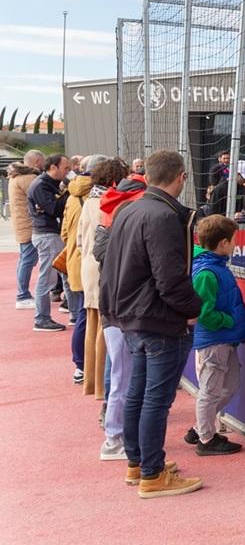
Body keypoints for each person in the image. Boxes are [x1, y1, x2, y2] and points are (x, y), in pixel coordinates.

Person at [98, 150, 203, 497]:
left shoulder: (130, 209)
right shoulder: (161, 216)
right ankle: (152, 474)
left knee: (138, 395)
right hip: (156, 318)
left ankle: (139, 463)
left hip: (132, 316)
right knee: (154, 400)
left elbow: (109, 260)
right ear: (180, 177)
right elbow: (169, 277)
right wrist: (192, 307)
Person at [184, 215, 245, 457]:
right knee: (210, 390)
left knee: (230, 385)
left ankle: (200, 427)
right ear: (223, 243)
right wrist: (229, 321)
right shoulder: (207, 273)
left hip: (225, 338)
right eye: (234, 240)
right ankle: (206, 438)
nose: (235, 244)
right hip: (214, 341)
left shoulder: (216, 267)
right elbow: (204, 312)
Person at [94, 162, 147, 461]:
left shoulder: (110, 206)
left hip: (115, 302)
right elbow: (100, 253)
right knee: (123, 375)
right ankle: (114, 439)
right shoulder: (130, 206)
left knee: (125, 375)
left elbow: (99, 252)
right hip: (122, 305)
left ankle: (122, 434)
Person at [78, 157, 127, 406]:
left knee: (92, 323)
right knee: (105, 329)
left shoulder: (89, 201)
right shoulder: (109, 202)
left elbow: (78, 238)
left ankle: (92, 381)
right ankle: (101, 387)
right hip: (101, 267)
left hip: (87, 264)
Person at [61, 155, 99, 383]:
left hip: (76, 262)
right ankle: (83, 365)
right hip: (89, 262)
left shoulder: (72, 195)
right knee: (87, 317)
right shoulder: (95, 197)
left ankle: (80, 365)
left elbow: (64, 231)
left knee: (81, 316)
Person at [28, 153, 70, 332]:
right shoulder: (40, 185)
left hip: (52, 233)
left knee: (65, 276)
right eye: (66, 168)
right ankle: (42, 318)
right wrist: (70, 192)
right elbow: (55, 209)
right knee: (48, 277)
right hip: (47, 235)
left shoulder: (50, 184)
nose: (69, 172)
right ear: (53, 167)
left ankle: (74, 311)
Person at [9, 150, 42, 312]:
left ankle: (22, 294)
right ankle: (23, 295)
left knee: (24, 260)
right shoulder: (29, 178)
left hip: (22, 224)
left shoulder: (16, 177)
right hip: (29, 225)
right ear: (36, 162)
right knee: (27, 260)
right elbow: (41, 195)